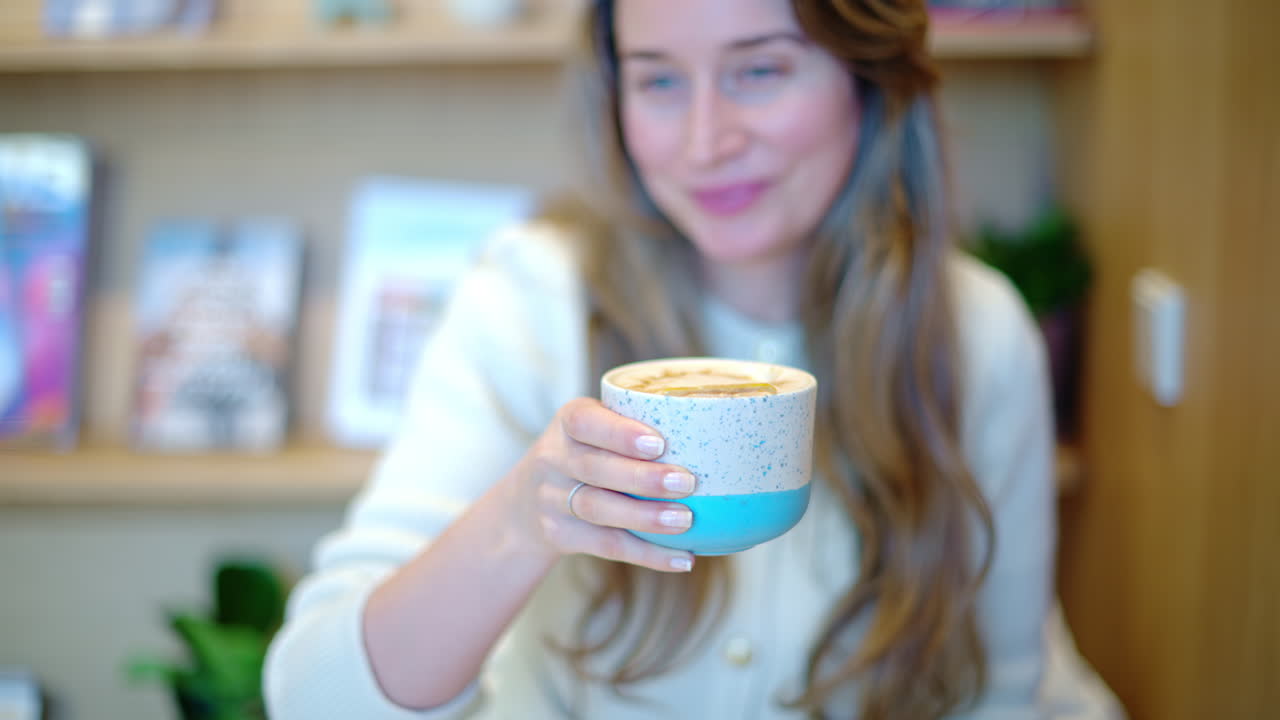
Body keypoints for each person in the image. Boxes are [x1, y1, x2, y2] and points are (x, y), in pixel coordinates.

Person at [265, 1, 1126, 717]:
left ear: (870, 75)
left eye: (759, 70)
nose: (706, 140)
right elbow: (315, 696)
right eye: (659, 80)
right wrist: (520, 523)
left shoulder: (976, 334)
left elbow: (1001, 694)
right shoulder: (528, 299)